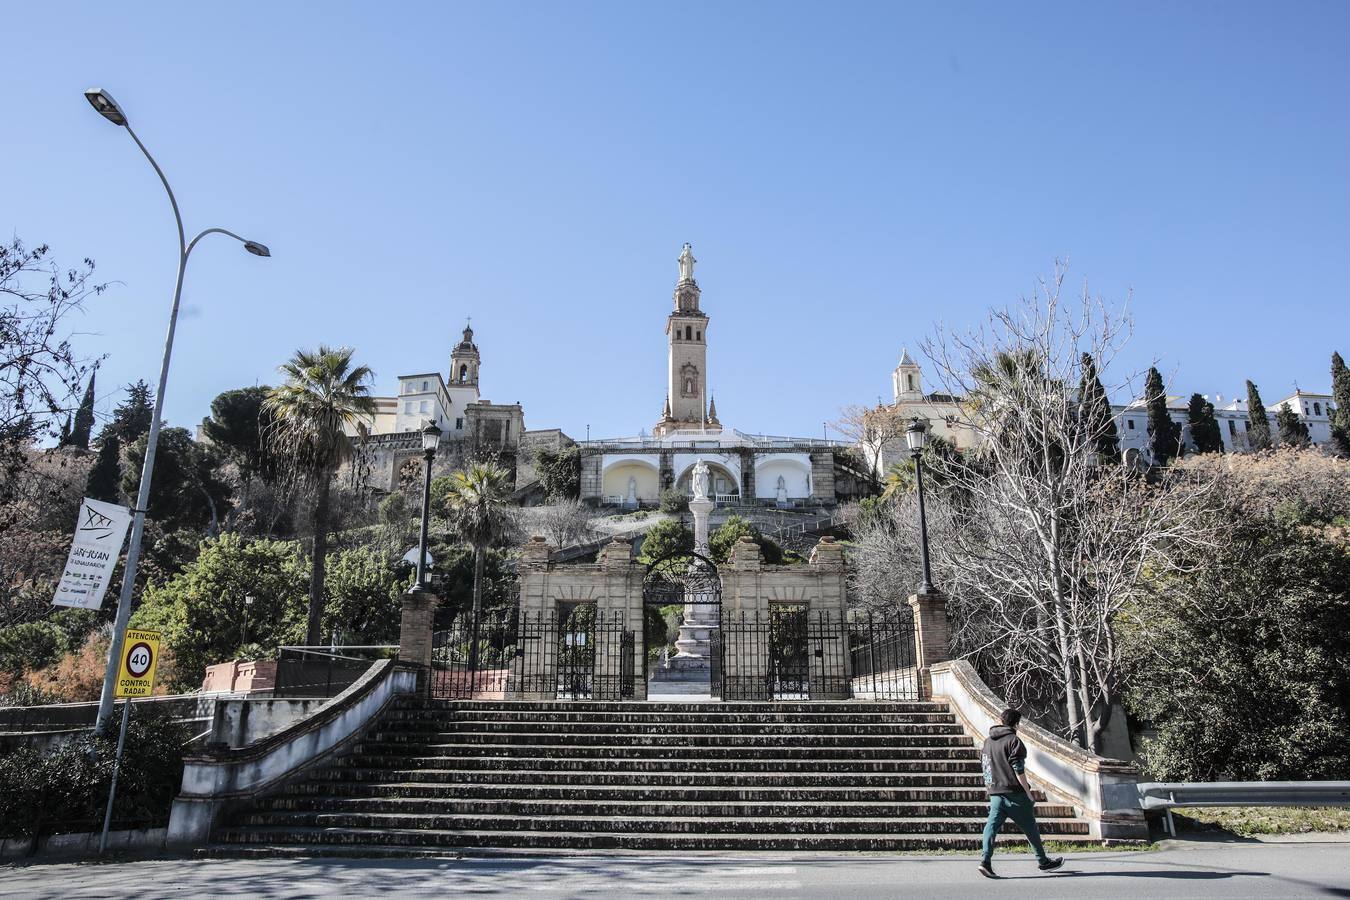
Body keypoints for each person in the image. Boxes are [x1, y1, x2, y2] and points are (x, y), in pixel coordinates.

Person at [978, 707, 1065, 879]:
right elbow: (1018, 769)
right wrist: (1028, 792)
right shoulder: (1014, 741)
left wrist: (991, 787)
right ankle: (1043, 861)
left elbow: (986, 766)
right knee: (1030, 827)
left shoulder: (988, 741)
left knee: (991, 827)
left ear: (1001, 720)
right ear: (1017, 724)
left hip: (996, 792)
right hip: (1014, 793)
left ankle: (985, 861)